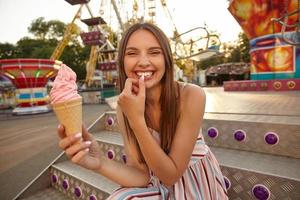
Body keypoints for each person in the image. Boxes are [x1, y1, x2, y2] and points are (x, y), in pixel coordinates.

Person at [58, 22, 228, 199]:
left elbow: (171, 176)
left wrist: (137, 120)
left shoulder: (192, 95)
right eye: (132, 53)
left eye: (154, 52)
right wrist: (99, 162)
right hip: (157, 183)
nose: (144, 62)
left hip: (197, 183)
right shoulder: (124, 108)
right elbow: (141, 175)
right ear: (122, 62)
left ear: (167, 59)